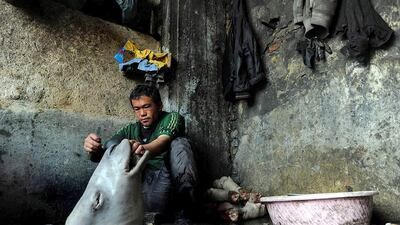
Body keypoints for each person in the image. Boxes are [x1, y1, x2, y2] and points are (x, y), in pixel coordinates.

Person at [83, 84, 198, 225]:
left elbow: (162, 142)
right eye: (137, 109)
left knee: (180, 143)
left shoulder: (172, 118)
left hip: (167, 183)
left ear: (159, 106)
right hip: (144, 191)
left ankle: (184, 215)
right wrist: (94, 149)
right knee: (115, 148)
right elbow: (109, 151)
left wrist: (141, 149)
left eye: (146, 107)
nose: (142, 114)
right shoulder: (130, 129)